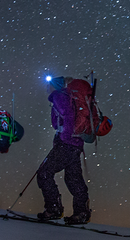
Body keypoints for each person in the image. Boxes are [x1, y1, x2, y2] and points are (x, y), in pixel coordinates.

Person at [33, 71, 108, 224]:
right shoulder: (69, 96)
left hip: (67, 144)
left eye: (48, 86)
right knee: (73, 178)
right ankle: (81, 212)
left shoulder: (59, 96)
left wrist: (65, 137)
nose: (47, 89)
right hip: (76, 144)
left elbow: (68, 116)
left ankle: (54, 208)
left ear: (54, 86)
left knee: (44, 173)